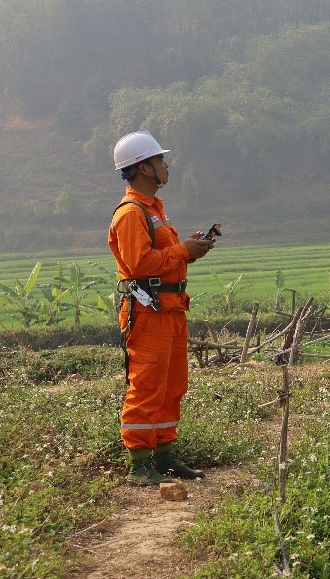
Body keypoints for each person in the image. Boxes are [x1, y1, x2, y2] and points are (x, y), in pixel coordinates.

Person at [109, 130, 215, 486]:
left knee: (173, 384)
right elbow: (139, 264)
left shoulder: (155, 211)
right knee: (148, 384)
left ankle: (164, 454)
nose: (166, 165)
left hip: (169, 307)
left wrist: (189, 249)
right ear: (143, 167)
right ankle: (139, 463)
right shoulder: (130, 213)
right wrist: (184, 250)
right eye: (159, 160)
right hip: (147, 311)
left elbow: (162, 259)